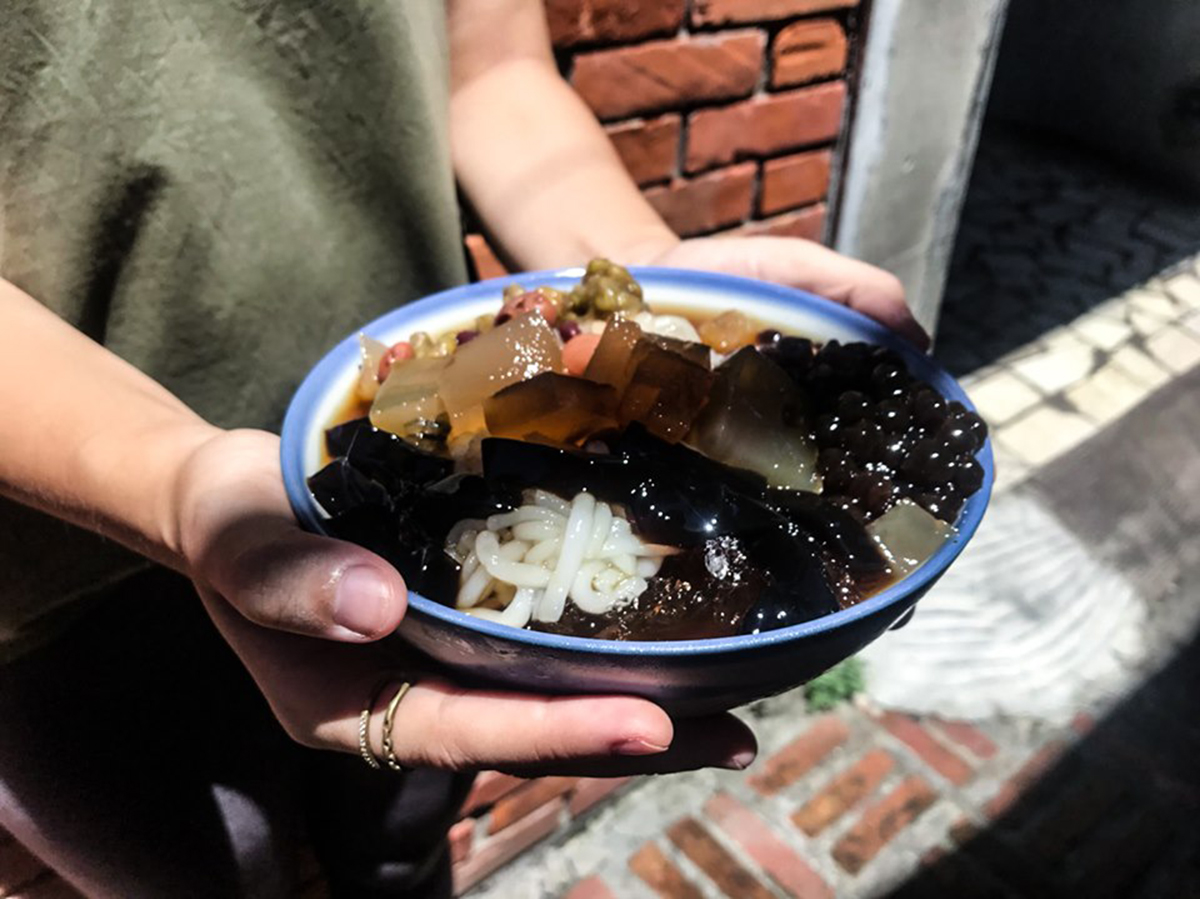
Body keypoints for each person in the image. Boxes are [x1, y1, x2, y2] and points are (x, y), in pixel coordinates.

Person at [0, 1, 925, 896]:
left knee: (400, 846)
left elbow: (496, 69)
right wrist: (177, 483)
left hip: (415, 540)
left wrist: (644, 274)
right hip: (64, 568)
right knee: (210, 870)